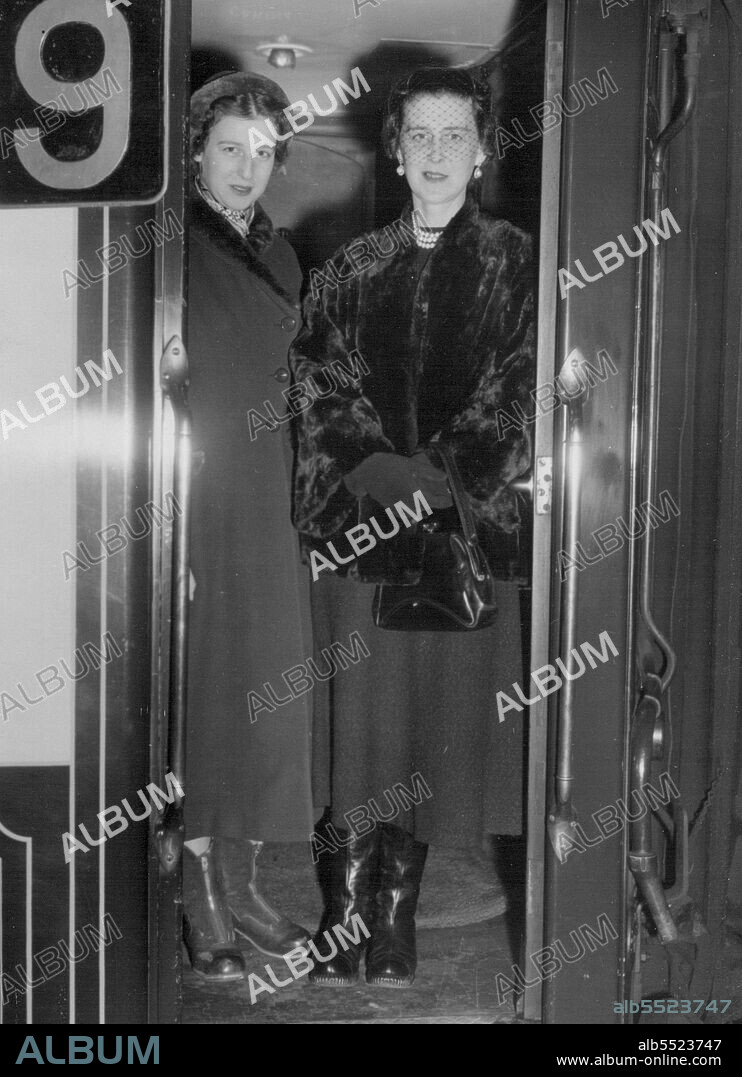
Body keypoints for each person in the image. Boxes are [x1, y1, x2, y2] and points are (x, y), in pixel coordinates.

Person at [290, 67, 535, 988]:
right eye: (419, 137)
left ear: (480, 151)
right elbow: (317, 381)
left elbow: (520, 387)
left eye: (454, 136)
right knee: (359, 732)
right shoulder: (346, 264)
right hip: (359, 536)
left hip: (461, 537)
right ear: (394, 153)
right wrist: (387, 477)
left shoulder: (516, 261)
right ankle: (341, 913)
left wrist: (440, 484)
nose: (436, 153)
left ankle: (393, 920)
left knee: (422, 737)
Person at [184, 72, 314, 982]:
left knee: (271, 694)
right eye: (230, 148)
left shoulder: (287, 256)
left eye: (263, 152)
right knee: (208, 695)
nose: (246, 167)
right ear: (195, 152)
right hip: (196, 498)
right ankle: (202, 900)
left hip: (273, 496)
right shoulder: (162, 245)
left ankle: (249, 881)